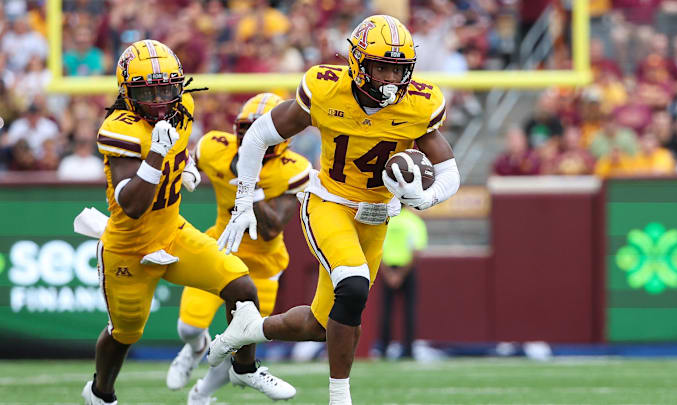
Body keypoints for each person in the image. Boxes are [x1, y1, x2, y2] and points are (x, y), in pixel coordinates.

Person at [209, 15, 460, 405]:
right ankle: (340, 397)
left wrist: (425, 199)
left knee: (324, 323)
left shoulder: (419, 105)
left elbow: (449, 171)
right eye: (382, 67)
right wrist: (245, 198)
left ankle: (249, 328)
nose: (391, 78)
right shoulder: (326, 90)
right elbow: (258, 134)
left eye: (399, 68)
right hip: (329, 202)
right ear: (358, 63)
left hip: (376, 216)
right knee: (354, 284)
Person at [81, 40, 293, 405]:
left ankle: (244, 368)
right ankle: (101, 394)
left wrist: (186, 167)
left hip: (172, 232)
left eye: (167, 87)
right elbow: (131, 204)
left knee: (241, 286)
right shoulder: (121, 128)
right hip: (128, 248)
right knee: (124, 333)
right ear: (127, 94)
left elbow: (180, 149)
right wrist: (156, 156)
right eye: (149, 90)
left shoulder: (184, 106)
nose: (161, 98)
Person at [166, 93, 310, 404]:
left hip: (262, 265)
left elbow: (272, 227)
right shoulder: (215, 147)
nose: (249, 136)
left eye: (258, 129)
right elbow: (190, 158)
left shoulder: (293, 168)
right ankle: (194, 347)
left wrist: (251, 186)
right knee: (188, 327)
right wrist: (186, 168)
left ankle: (201, 394)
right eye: (244, 128)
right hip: (219, 249)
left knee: (240, 343)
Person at [376, 206, 427, 359]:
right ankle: (409, 350)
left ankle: (383, 349)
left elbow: (377, 249)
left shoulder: (386, 221)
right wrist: (401, 275)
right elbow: (416, 251)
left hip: (387, 269)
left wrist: (390, 274)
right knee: (409, 311)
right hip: (407, 270)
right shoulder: (414, 221)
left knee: (386, 312)